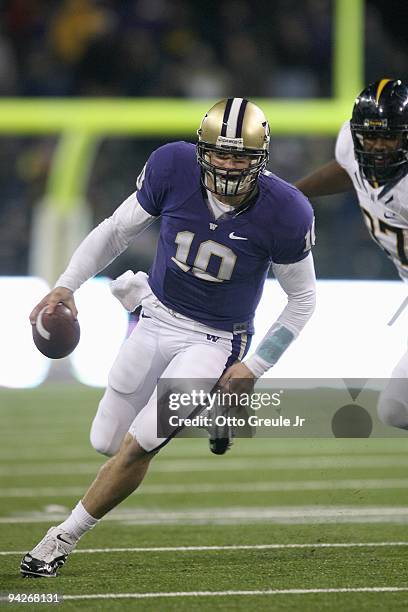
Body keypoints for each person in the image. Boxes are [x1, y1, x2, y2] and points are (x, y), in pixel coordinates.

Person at [21, 97, 316, 577]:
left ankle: (59, 541)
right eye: (219, 152)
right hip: (157, 316)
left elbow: (302, 302)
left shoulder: (285, 211)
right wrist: (65, 284)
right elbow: (116, 231)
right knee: (106, 440)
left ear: (260, 158)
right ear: (201, 149)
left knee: (142, 442)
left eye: (240, 155)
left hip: (217, 339)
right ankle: (217, 409)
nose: (227, 163)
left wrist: (253, 367)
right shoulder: (172, 166)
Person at [295, 77, 408, 430]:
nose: (377, 145)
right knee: (396, 409)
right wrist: (293, 194)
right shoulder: (351, 142)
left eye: (388, 136)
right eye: (370, 135)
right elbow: (349, 170)